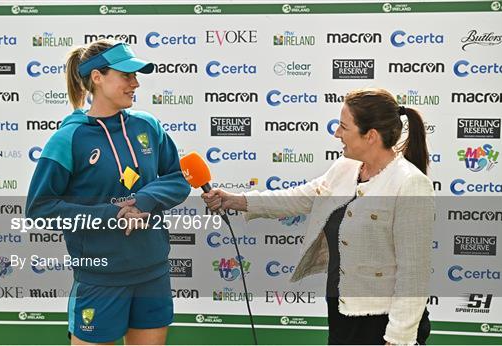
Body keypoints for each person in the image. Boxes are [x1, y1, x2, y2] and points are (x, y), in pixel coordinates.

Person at [203, 88, 435, 345]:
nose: (337, 134)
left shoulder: (410, 183)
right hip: (341, 313)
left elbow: (414, 273)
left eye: (343, 127)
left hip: (384, 322)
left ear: (370, 135)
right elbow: (302, 196)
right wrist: (236, 200)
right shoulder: (345, 167)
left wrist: (398, 338)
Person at [26, 40, 191, 345]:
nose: (135, 83)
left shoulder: (148, 126)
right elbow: (40, 209)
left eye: (136, 76)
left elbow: (179, 178)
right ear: (97, 78)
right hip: (100, 280)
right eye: (126, 75)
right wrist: (112, 215)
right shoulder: (69, 138)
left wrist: (143, 201)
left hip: (152, 273)